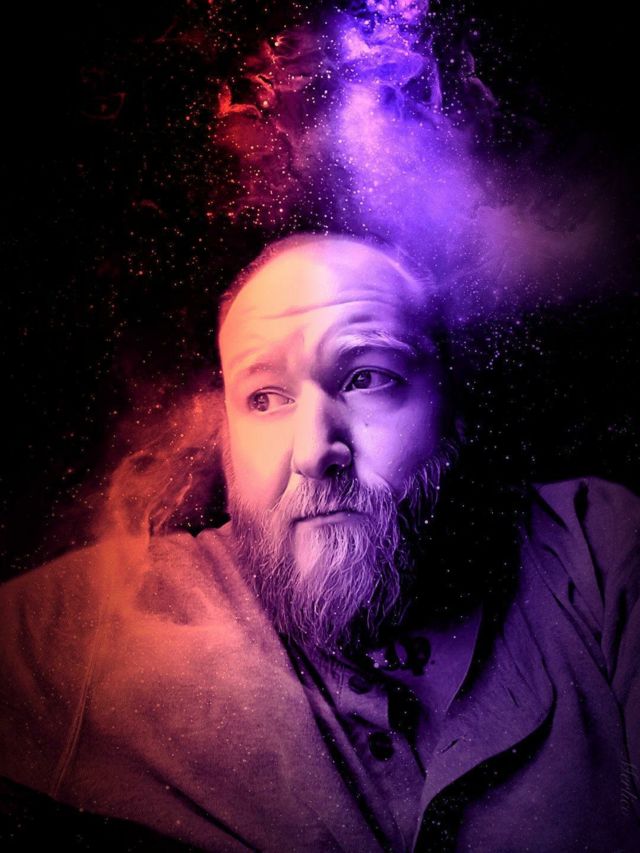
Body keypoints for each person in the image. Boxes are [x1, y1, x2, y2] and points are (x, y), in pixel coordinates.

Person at [1, 233, 639, 852]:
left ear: (454, 401)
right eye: (264, 398)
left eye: (367, 378)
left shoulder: (594, 548)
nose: (313, 453)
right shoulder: (115, 618)